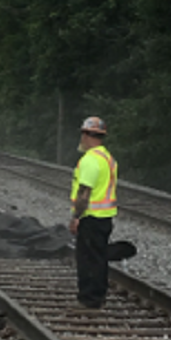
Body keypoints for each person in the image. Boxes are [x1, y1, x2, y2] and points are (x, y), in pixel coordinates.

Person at [69, 116, 117, 310]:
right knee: (98, 258)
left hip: (90, 218)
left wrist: (75, 217)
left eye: (83, 134)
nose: (81, 138)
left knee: (87, 260)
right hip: (105, 218)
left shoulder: (90, 160)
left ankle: (89, 299)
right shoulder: (108, 158)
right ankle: (98, 295)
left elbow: (84, 193)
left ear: (87, 135)